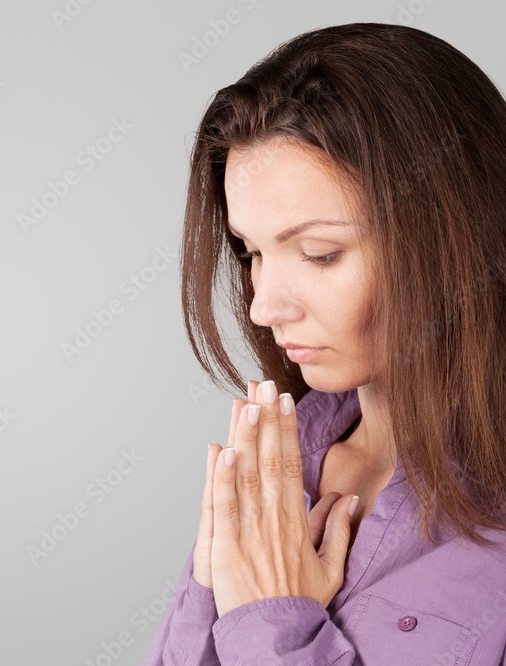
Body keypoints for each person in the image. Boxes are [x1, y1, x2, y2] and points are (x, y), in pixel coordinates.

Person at [142, 22, 506, 665]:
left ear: (455, 235)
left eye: (319, 253)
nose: (262, 307)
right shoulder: (277, 469)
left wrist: (271, 627)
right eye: (252, 252)